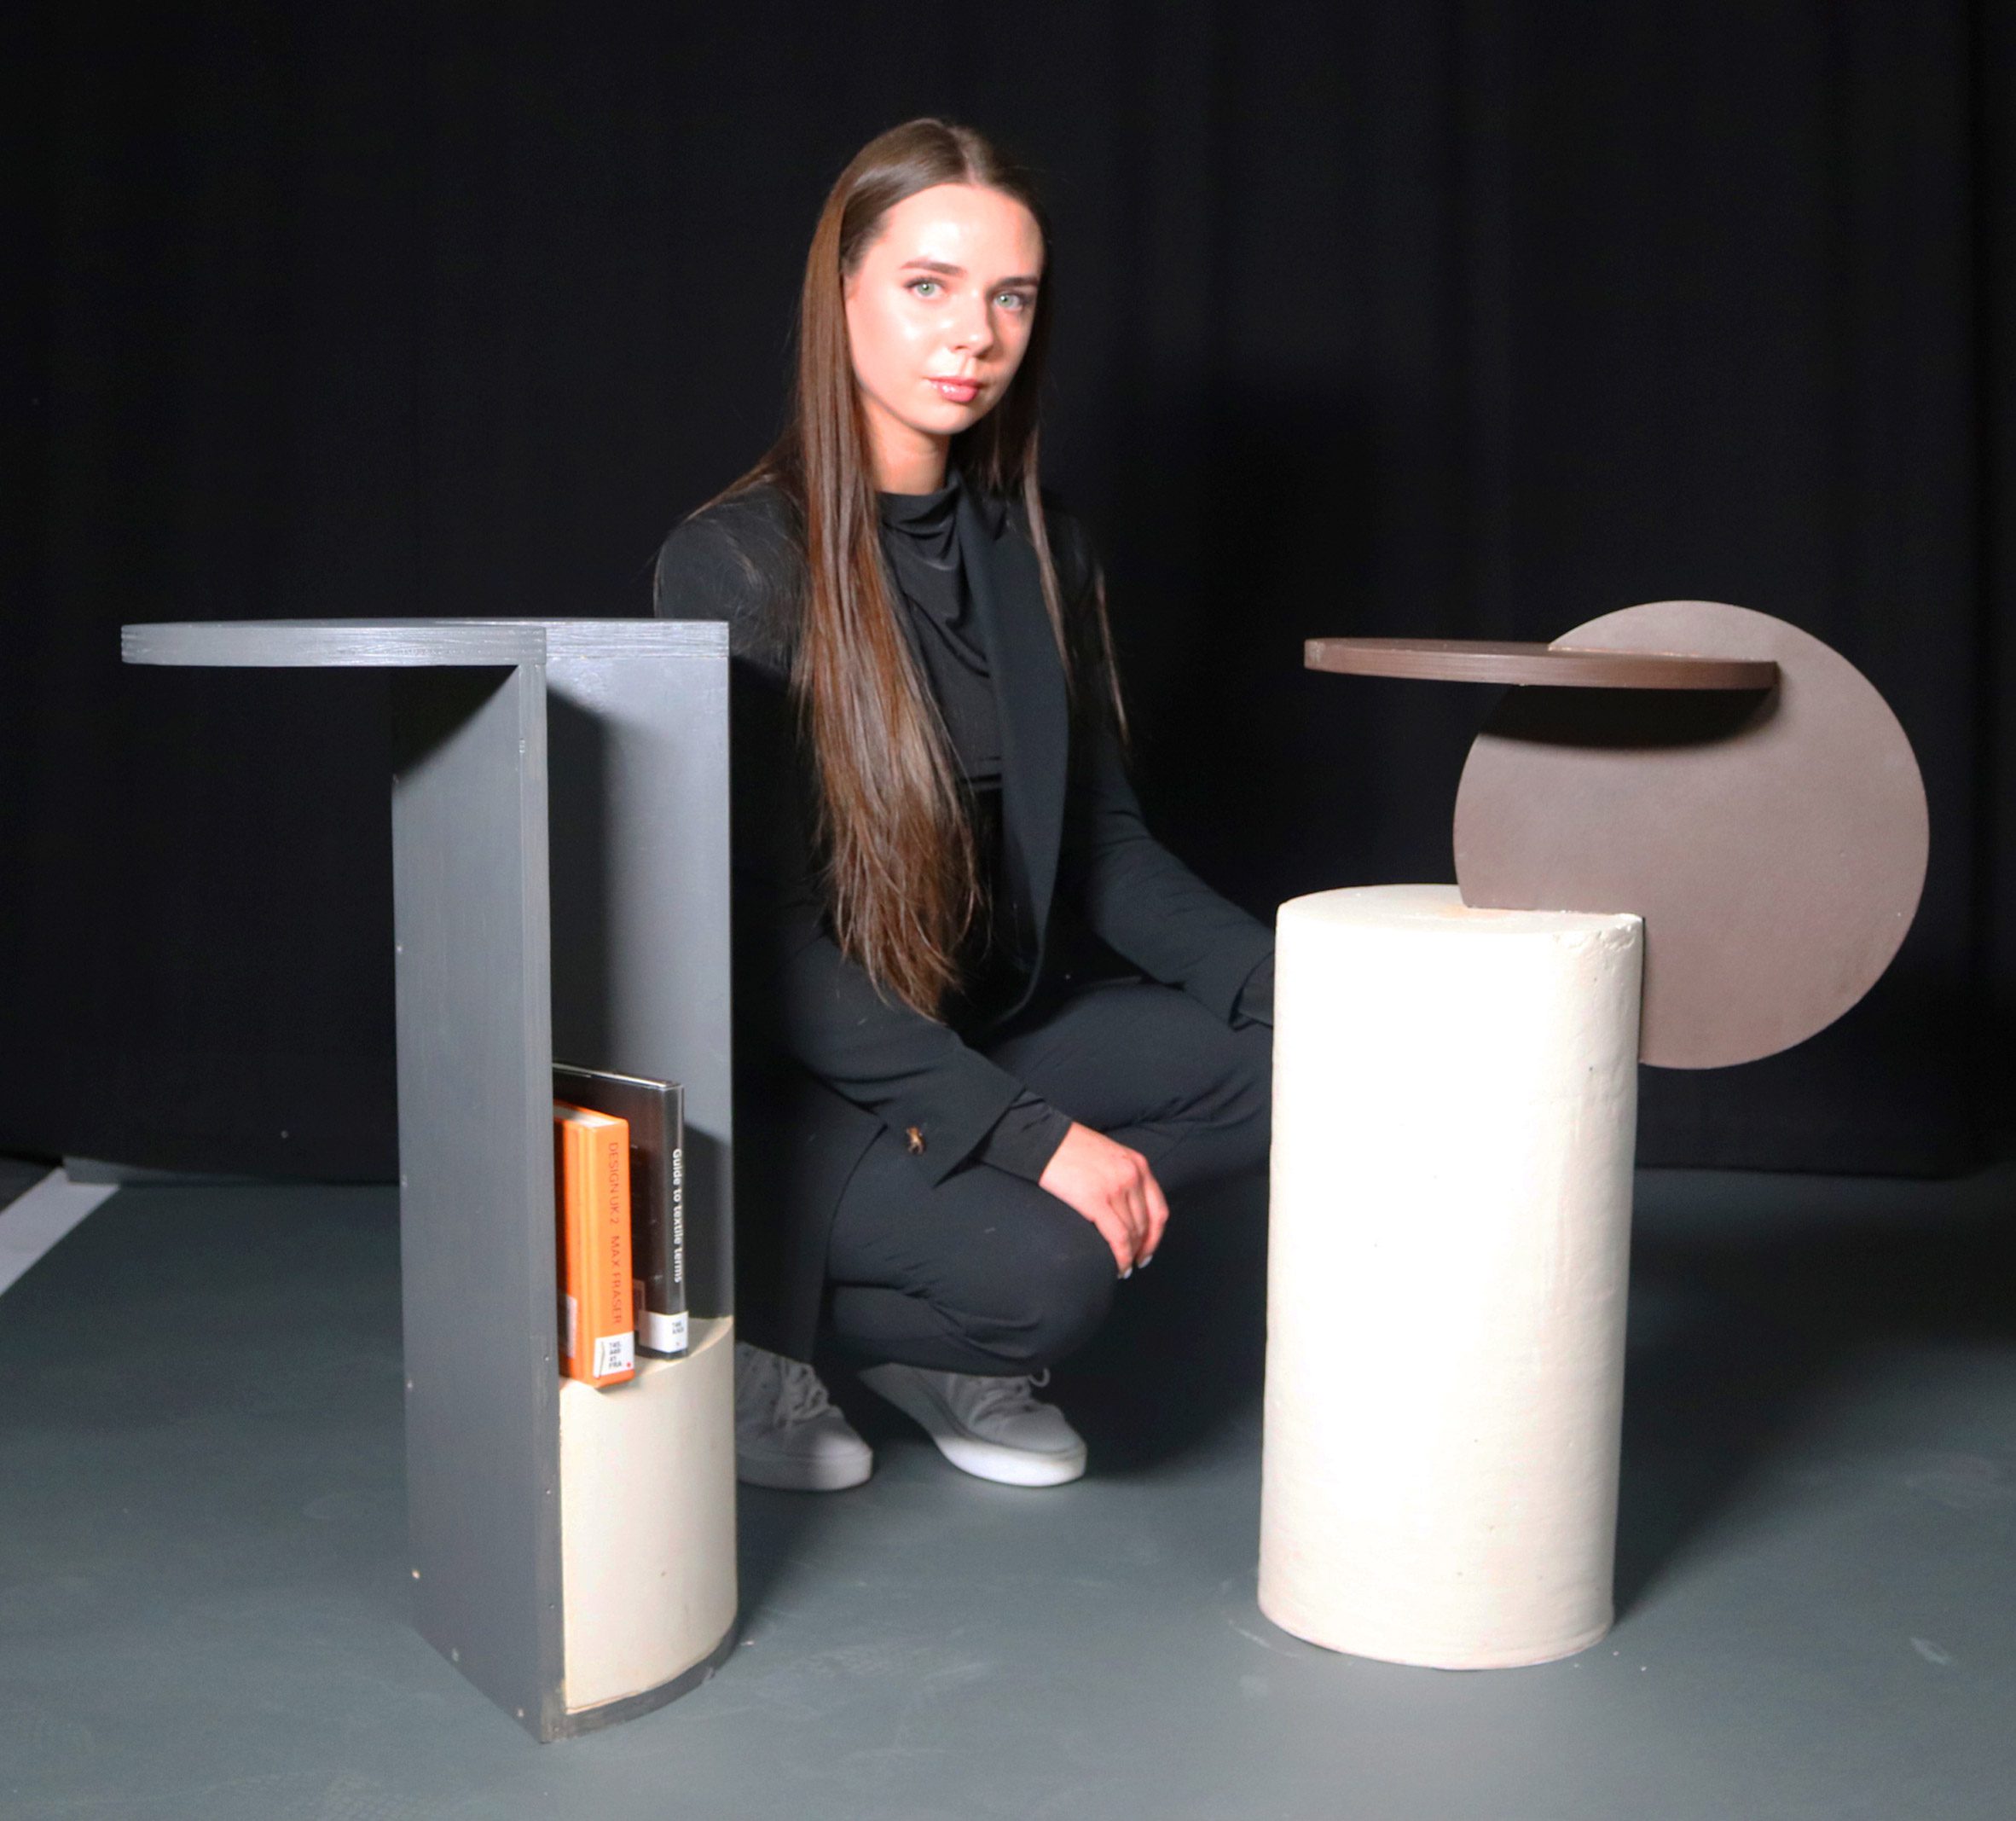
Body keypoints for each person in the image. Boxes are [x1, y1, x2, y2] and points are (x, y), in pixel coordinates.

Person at [653, 118, 1274, 1493]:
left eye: (1011, 296)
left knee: (1319, 1072)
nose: (975, 333)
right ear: (846, 295)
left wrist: (1315, 986)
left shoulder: (1043, 549)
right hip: (805, 1081)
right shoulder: (734, 565)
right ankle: (763, 1327)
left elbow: (1108, 855)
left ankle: (934, 1286)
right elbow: (768, 956)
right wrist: (1032, 1145)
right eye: (929, 285)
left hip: (980, 1032)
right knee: (1049, 1282)